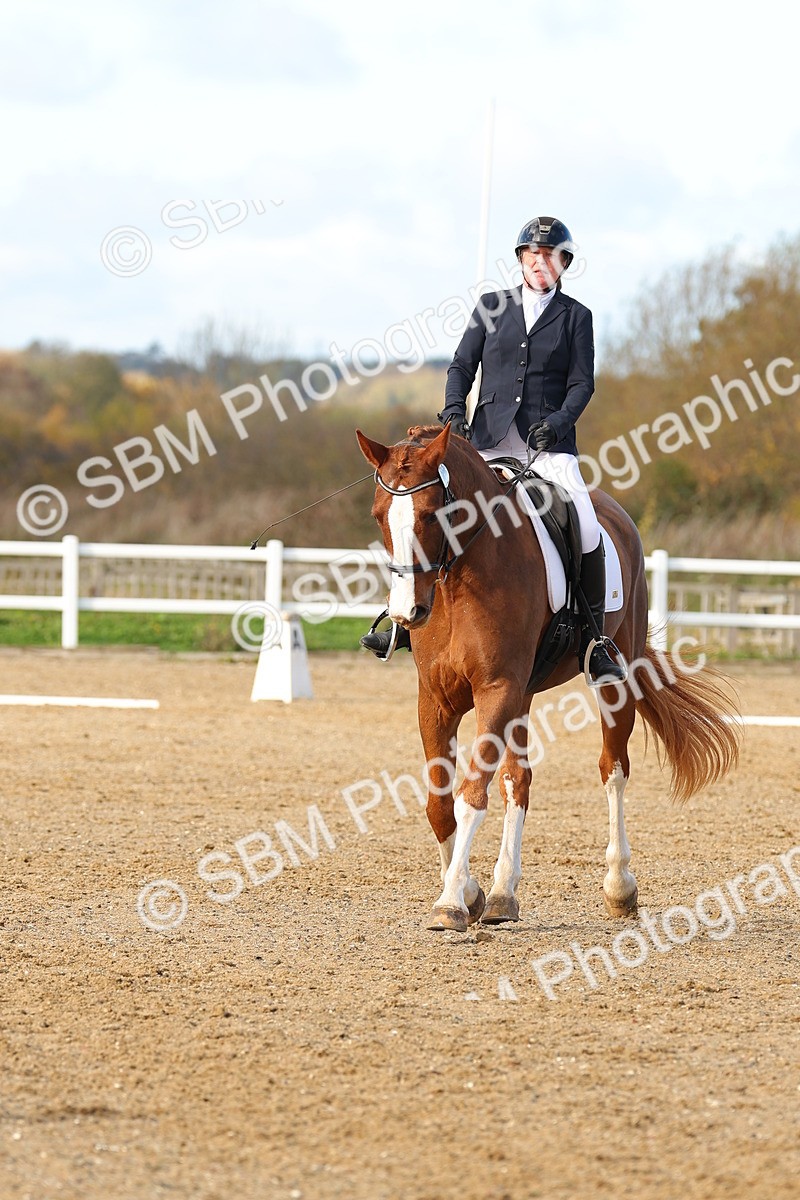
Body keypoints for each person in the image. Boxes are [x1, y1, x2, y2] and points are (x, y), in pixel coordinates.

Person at [361, 215, 625, 685]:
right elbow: (461, 366)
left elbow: (582, 384)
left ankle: (593, 640)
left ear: (564, 263)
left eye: (551, 256)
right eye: (533, 254)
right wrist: (453, 412)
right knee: (429, 512)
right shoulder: (490, 306)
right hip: (485, 443)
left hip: (549, 449)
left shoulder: (575, 317)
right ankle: (402, 619)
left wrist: (558, 423)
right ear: (521, 259)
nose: (541, 262)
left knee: (585, 524)